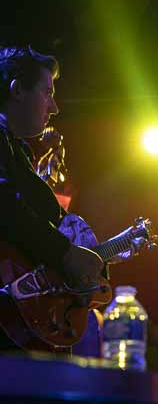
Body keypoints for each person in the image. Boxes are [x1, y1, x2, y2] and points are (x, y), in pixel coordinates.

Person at [0, 46, 104, 350]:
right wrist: (66, 253)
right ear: (17, 90)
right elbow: (6, 208)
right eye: (47, 92)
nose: (55, 107)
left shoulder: (14, 147)